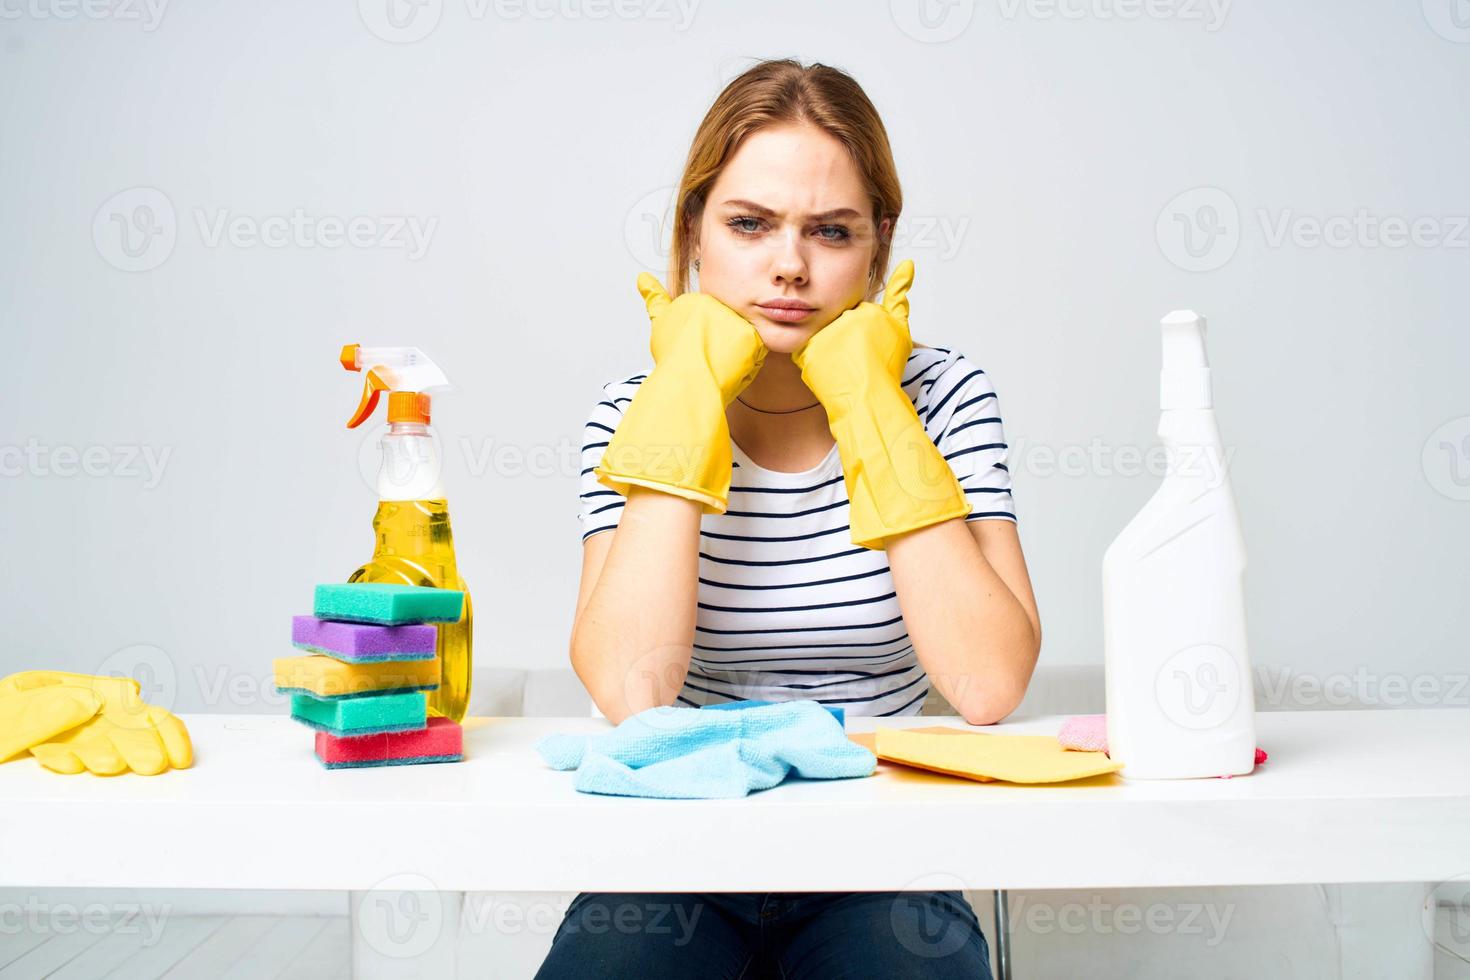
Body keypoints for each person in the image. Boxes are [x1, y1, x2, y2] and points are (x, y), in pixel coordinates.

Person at [539, 58, 1041, 980]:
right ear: (694, 233)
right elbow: (628, 694)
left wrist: (870, 407)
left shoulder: (946, 396)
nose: (790, 265)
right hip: (676, 852)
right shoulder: (633, 408)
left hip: (883, 854)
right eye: (749, 224)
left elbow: (988, 684)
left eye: (832, 231)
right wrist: (686, 396)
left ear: (878, 245)